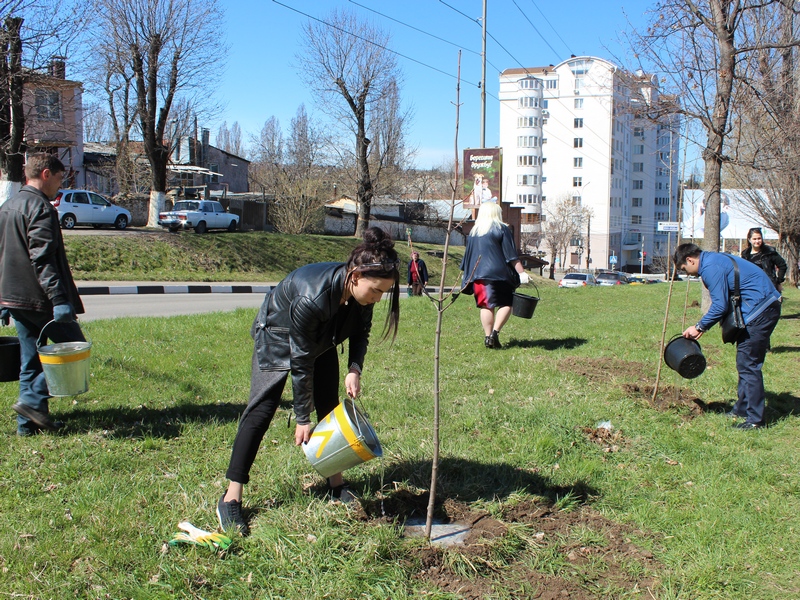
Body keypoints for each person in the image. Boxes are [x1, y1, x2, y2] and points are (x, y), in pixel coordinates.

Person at [216, 227, 401, 536]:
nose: (379, 298)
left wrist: (354, 368)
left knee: (330, 409)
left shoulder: (361, 298)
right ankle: (231, 496)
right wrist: (302, 417)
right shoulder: (311, 297)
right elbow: (301, 360)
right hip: (277, 333)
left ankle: (335, 484)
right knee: (262, 410)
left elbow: (360, 333)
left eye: (383, 292)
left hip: (323, 335)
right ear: (355, 277)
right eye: (376, 290)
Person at [0, 153, 86, 436]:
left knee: (30, 361)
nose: (60, 187)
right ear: (46, 174)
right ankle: (32, 402)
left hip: (14, 297)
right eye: (60, 179)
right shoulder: (40, 208)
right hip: (40, 298)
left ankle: (27, 426)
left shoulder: (7, 206)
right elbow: (43, 260)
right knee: (74, 350)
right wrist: (59, 300)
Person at [675, 243, 781, 430]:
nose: (689, 274)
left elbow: (720, 305)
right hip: (762, 306)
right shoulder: (713, 258)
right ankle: (741, 409)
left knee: (749, 364)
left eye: (685, 269)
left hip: (761, 310)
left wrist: (699, 326)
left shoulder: (709, 267)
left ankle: (756, 420)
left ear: (690, 260)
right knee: (745, 361)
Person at [460, 202, 530, 349]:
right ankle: (495, 333)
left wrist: (466, 274)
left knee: (486, 306)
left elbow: (468, 255)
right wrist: (522, 273)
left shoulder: (474, 232)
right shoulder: (502, 228)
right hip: (500, 274)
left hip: (478, 275)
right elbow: (511, 255)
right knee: (507, 304)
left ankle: (487, 336)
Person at [741, 227, 787, 292]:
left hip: (768, 287)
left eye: (759, 238)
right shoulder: (745, 254)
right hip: (751, 287)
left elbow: (782, 265)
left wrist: (778, 281)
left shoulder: (770, 252)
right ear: (749, 239)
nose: (757, 241)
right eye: (754, 239)